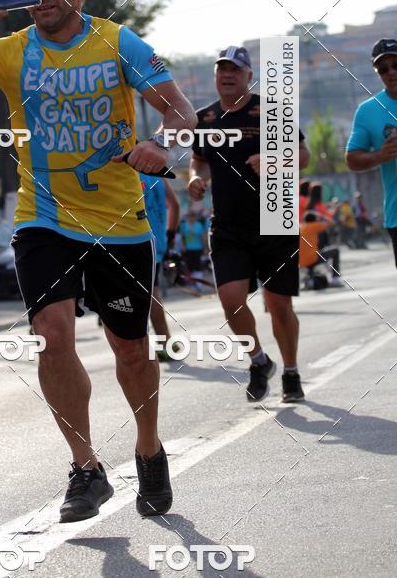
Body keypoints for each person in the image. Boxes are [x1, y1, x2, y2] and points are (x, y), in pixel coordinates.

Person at [0, 0, 196, 522]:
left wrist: (163, 144)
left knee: (130, 348)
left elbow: (182, 112)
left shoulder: (118, 42)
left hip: (119, 224)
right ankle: (86, 468)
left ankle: (149, 450)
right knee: (51, 335)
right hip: (43, 218)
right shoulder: (11, 49)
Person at [188, 45, 310, 404]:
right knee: (230, 298)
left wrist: (273, 158)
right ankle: (259, 361)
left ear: (248, 75)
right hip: (227, 224)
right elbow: (199, 160)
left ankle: (290, 371)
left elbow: (303, 156)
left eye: (235, 70)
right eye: (221, 69)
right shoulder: (204, 119)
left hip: (275, 216)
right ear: (215, 75)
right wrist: (196, 179)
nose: (227, 75)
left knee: (279, 304)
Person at [346, 38, 397, 266]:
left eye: (396, 64)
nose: (391, 72)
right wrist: (380, 156)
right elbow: (352, 158)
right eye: (383, 69)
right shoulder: (368, 110)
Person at [141, 174, 182, 362]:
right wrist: (170, 235)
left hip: (138, 239)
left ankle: (162, 344)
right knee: (153, 291)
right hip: (159, 241)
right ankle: (165, 341)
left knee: (149, 294)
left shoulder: (130, 171)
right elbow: (175, 205)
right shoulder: (157, 174)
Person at [299, 212, 342, 287]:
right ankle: (335, 279)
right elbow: (332, 223)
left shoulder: (301, 227)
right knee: (335, 251)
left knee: (315, 253)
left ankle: (310, 280)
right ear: (314, 220)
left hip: (301, 261)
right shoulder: (314, 226)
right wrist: (321, 215)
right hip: (312, 259)